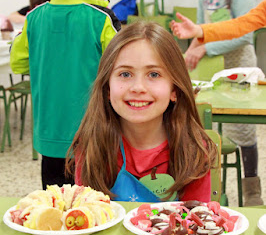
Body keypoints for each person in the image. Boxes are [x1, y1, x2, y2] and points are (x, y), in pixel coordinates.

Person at [66, 21, 217, 203]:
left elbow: (197, 221)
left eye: (153, 74)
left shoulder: (193, 150)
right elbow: (89, 217)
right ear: (107, 88)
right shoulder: (92, 145)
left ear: (174, 90)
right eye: (125, 74)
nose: (138, 87)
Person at [10, 0, 121, 189]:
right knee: (95, 208)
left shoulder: (34, 17)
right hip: (92, 136)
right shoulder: (101, 19)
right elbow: (123, 69)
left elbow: (18, 63)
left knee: (55, 206)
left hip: (48, 136)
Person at [177, 0, 262, 206]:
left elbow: (244, 35)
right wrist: (191, 50)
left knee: (244, 131)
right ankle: (208, 186)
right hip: (215, 70)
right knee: (209, 123)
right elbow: (201, 33)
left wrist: (205, 49)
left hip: (241, 68)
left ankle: (252, 190)